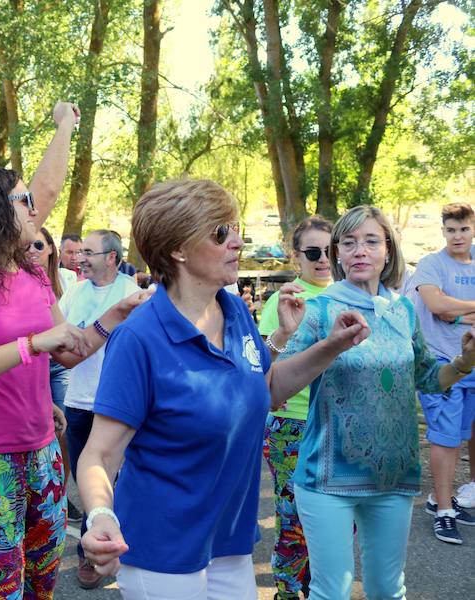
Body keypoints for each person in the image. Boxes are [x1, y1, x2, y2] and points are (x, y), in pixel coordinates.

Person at [76, 179, 370, 600]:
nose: (237, 241)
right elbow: (100, 453)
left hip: (228, 539)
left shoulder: (233, 310)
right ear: (177, 249)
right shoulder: (140, 338)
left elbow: (263, 390)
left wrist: (331, 346)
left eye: (233, 228)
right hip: (163, 546)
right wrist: (101, 515)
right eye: (220, 233)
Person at [0, 100, 150, 598]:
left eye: (32, 201)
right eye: (23, 200)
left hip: (42, 455)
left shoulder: (31, 274)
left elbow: (69, 352)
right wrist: (30, 345)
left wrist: (118, 315)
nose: (36, 207)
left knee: (40, 587)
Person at [275, 205, 475, 599]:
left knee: (388, 589)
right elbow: (276, 389)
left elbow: (428, 379)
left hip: (393, 476)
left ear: (388, 252)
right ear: (337, 253)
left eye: (370, 241)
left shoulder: (402, 309)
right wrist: (317, 343)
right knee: (331, 591)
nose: (359, 251)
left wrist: (465, 361)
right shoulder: (317, 310)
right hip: (327, 479)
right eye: (348, 243)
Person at [60, 229, 140, 589]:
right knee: (90, 485)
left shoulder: (134, 294)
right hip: (79, 402)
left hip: (123, 406)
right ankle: (91, 553)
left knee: (126, 484)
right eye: (79, 253)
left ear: (112, 257)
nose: (80, 258)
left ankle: (129, 549)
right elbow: (59, 338)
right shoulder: (73, 293)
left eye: (88, 252)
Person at [257, 216, 333, 600]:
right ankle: (288, 590)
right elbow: (264, 356)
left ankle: (316, 582)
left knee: (337, 517)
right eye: (313, 252)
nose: (323, 259)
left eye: (329, 250)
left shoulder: (350, 295)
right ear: (297, 255)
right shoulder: (285, 298)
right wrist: (272, 383)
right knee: (294, 516)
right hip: (291, 423)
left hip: (340, 425)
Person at [406, 202, 475, 543]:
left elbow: (450, 311)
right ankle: (445, 512)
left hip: (471, 362)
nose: (457, 236)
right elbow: (438, 307)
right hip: (440, 363)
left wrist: (456, 313)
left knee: (460, 435)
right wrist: (451, 311)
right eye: (451, 230)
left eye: (463, 229)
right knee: (445, 438)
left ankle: (440, 500)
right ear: (443, 230)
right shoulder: (432, 264)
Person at [26, 226, 79, 521]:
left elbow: (68, 330)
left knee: (63, 430)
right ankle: (37, 490)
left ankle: (58, 490)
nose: (32, 250)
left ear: (49, 249)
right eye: (28, 246)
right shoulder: (20, 281)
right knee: (37, 426)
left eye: (38, 245)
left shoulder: (68, 280)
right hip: (30, 359)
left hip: (56, 363)